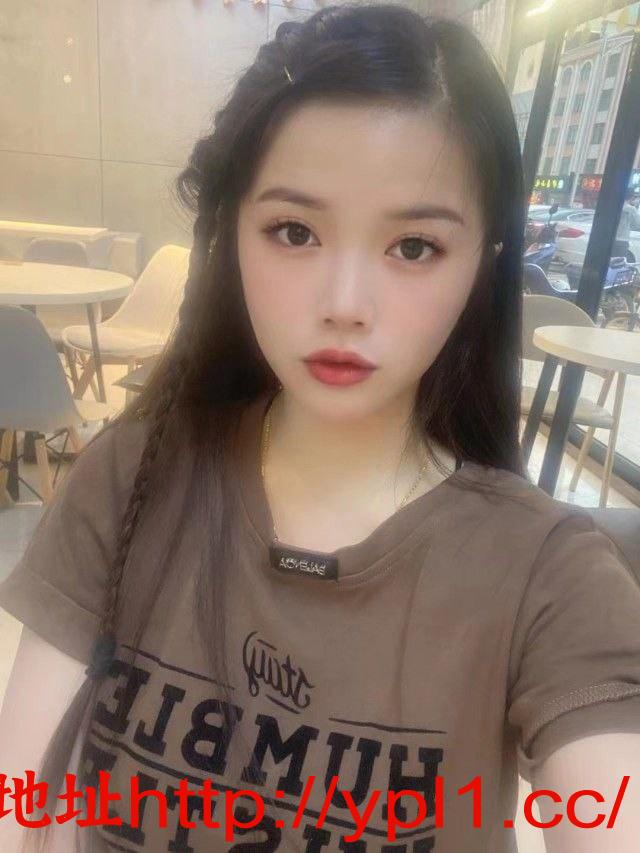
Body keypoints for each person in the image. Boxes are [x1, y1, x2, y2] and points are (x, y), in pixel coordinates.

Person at [0, 4, 639, 852]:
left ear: (482, 264)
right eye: (294, 231)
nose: (345, 304)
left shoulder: (548, 576)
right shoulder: (129, 477)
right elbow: (21, 803)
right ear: (232, 237)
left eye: (414, 246)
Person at [613, 186, 640, 262]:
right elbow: (637, 224)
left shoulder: (614, 205)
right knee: (619, 263)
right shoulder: (631, 209)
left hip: (611, 239)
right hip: (622, 240)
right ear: (632, 197)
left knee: (610, 261)